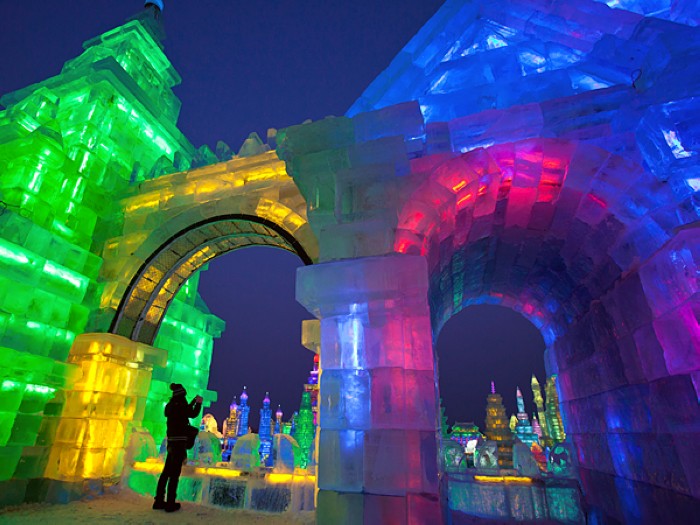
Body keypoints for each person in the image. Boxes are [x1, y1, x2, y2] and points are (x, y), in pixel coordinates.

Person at [153, 383, 203, 512]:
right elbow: (192, 413)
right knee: (174, 474)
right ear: (182, 395)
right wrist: (198, 403)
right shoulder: (181, 406)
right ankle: (170, 503)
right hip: (180, 443)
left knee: (166, 473)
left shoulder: (171, 407)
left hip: (171, 442)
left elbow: (184, 411)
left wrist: (191, 402)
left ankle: (158, 500)